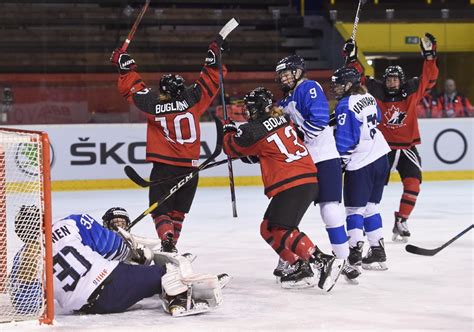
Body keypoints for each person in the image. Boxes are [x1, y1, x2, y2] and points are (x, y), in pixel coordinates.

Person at [110, 40, 227, 252]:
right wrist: (213, 61)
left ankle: (167, 241)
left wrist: (125, 67)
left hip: (165, 168)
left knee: (160, 211)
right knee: (178, 213)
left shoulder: (153, 104)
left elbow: (134, 89)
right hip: (191, 169)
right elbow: (210, 82)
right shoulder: (193, 99)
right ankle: (171, 246)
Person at [222, 87, 344, 290]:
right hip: (303, 180)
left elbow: (230, 148)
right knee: (267, 228)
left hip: (292, 182)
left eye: (250, 108)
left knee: (281, 229)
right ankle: (299, 266)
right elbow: (266, 148)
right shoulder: (284, 120)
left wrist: (227, 131)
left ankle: (322, 260)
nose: (248, 112)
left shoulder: (254, 129)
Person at [11, 205, 223, 317]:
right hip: (114, 284)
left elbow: (25, 305)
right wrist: (133, 253)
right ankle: (176, 297)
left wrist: (30, 276)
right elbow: (113, 246)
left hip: (86, 308)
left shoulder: (22, 259)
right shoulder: (69, 223)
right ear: (44, 217)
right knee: (166, 269)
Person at [343, 33, 439, 242]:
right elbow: (357, 77)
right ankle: (369, 222)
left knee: (414, 184)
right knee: (371, 189)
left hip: (406, 149)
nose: (392, 82)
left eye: (395, 79)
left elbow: (430, 78)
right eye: (389, 79)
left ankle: (401, 220)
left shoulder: (412, 89)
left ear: (401, 80)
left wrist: (430, 57)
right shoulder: (376, 90)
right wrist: (351, 58)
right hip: (381, 149)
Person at [275, 55, 359, 282]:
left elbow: (320, 119)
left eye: (287, 72)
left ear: (299, 71)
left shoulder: (309, 87)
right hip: (302, 162)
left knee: (330, 210)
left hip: (320, 157)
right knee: (289, 215)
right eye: (281, 74)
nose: (283, 77)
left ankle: (343, 260)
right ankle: (290, 259)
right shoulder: (284, 101)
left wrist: (299, 132)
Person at [330, 67, 391, 270]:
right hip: (381, 156)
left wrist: (340, 163)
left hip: (361, 162)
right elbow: (379, 118)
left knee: (354, 209)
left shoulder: (345, 105)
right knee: (371, 206)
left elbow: (346, 139)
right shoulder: (369, 97)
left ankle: (354, 254)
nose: (335, 88)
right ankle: (377, 251)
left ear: (349, 84)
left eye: (339, 84)